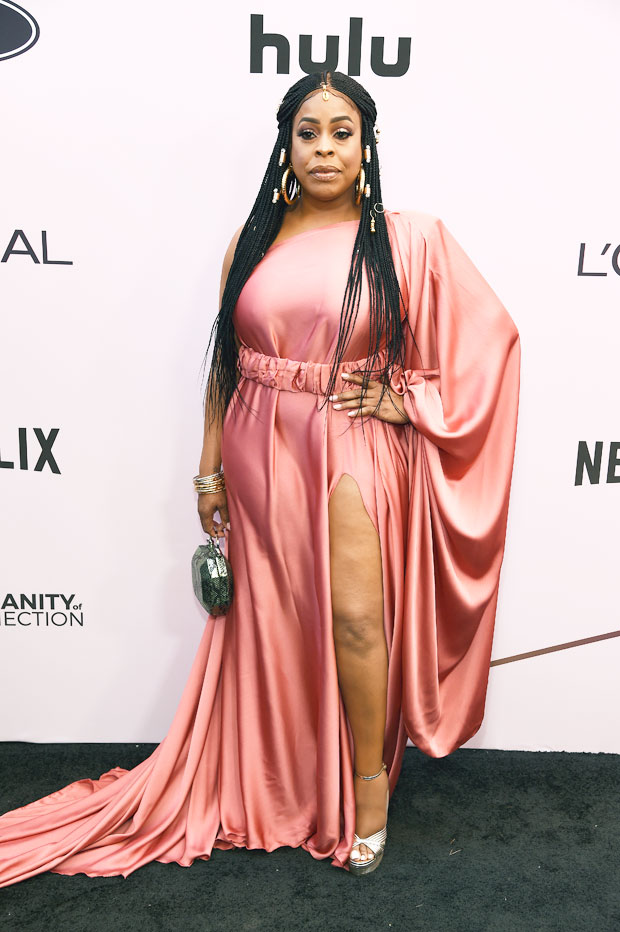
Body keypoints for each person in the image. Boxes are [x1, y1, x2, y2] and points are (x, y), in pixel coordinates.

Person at [0, 71, 520, 885]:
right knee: (273, 624)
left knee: (356, 621)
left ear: (367, 146)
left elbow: (491, 345)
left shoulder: (408, 239)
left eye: (342, 133)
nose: (324, 149)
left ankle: (368, 795)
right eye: (308, 133)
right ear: (287, 144)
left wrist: (408, 399)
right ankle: (283, 787)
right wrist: (207, 472)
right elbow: (227, 366)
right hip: (255, 444)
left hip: (349, 441)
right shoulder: (252, 241)